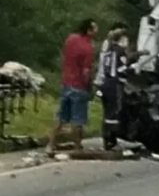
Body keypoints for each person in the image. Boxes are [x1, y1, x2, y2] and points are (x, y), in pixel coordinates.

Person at [46, 18, 97, 156]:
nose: (96, 31)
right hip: (79, 85)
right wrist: (89, 85)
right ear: (89, 30)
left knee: (61, 117)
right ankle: (77, 145)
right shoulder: (88, 48)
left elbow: (65, 56)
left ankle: (50, 144)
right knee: (78, 119)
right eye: (94, 28)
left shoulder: (70, 39)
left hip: (66, 82)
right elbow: (86, 71)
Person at [96, 22, 131, 150]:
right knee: (114, 111)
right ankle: (111, 139)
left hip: (105, 83)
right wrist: (131, 69)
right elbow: (122, 69)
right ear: (121, 39)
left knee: (106, 112)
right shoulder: (120, 51)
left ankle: (106, 137)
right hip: (114, 84)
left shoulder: (108, 50)